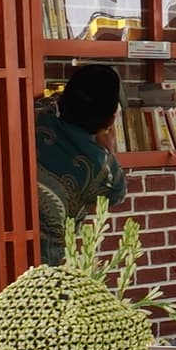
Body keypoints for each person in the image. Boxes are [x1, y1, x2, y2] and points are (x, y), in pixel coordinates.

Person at [33, 63, 129, 258]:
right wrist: (109, 149)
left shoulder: (36, 118)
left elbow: (51, 102)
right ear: (110, 121)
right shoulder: (99, 167)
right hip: (50, 264)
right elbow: (117, 194)